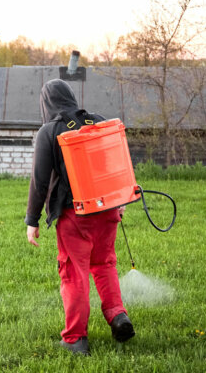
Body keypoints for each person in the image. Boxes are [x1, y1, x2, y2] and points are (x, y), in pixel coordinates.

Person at [25, 78, 134, 357]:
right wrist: (120, 201)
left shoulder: (49, 131)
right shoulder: (97, 120)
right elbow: (114, 163)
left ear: (46, 103)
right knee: (104, 263)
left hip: (77, 215)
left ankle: (75, 339)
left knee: (74, 273)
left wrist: (32, 220)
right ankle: (117, 315)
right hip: (108, 209)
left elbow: (39, 181)